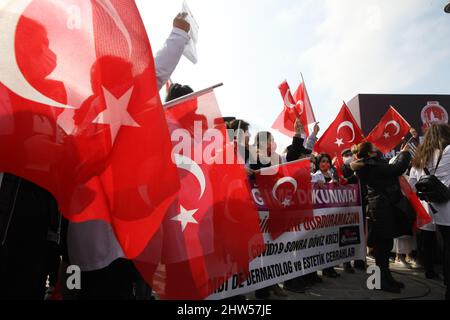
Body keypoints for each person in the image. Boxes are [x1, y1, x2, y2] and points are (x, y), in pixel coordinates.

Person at [65, 13, 192, 300]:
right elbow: (155, 74)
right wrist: (179, 33)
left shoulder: (75, 115)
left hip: (86, 243)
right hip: (111, 243)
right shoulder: (102, 109)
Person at [351, 142, 414, 293]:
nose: (377, 149)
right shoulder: (371, 166)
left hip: (383, 208)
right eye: (374, 148)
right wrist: (404, 153)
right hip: (381, 209)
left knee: (385, 244)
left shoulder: (371, 164)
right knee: (382, 247)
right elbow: (397, 169)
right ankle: (380, 281)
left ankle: (386, 278)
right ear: (369, 153)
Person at [411, 123, 450, 300]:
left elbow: (412, 185)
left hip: (437, 211)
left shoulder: (421, 158)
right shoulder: (448, 150)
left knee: (446, 247)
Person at [409, 166, 438, 280]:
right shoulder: (441, 157)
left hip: (425, 206)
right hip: (442, 205)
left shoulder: (416, 165)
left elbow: (412, 187)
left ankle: (429, 270)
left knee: (427, 240)